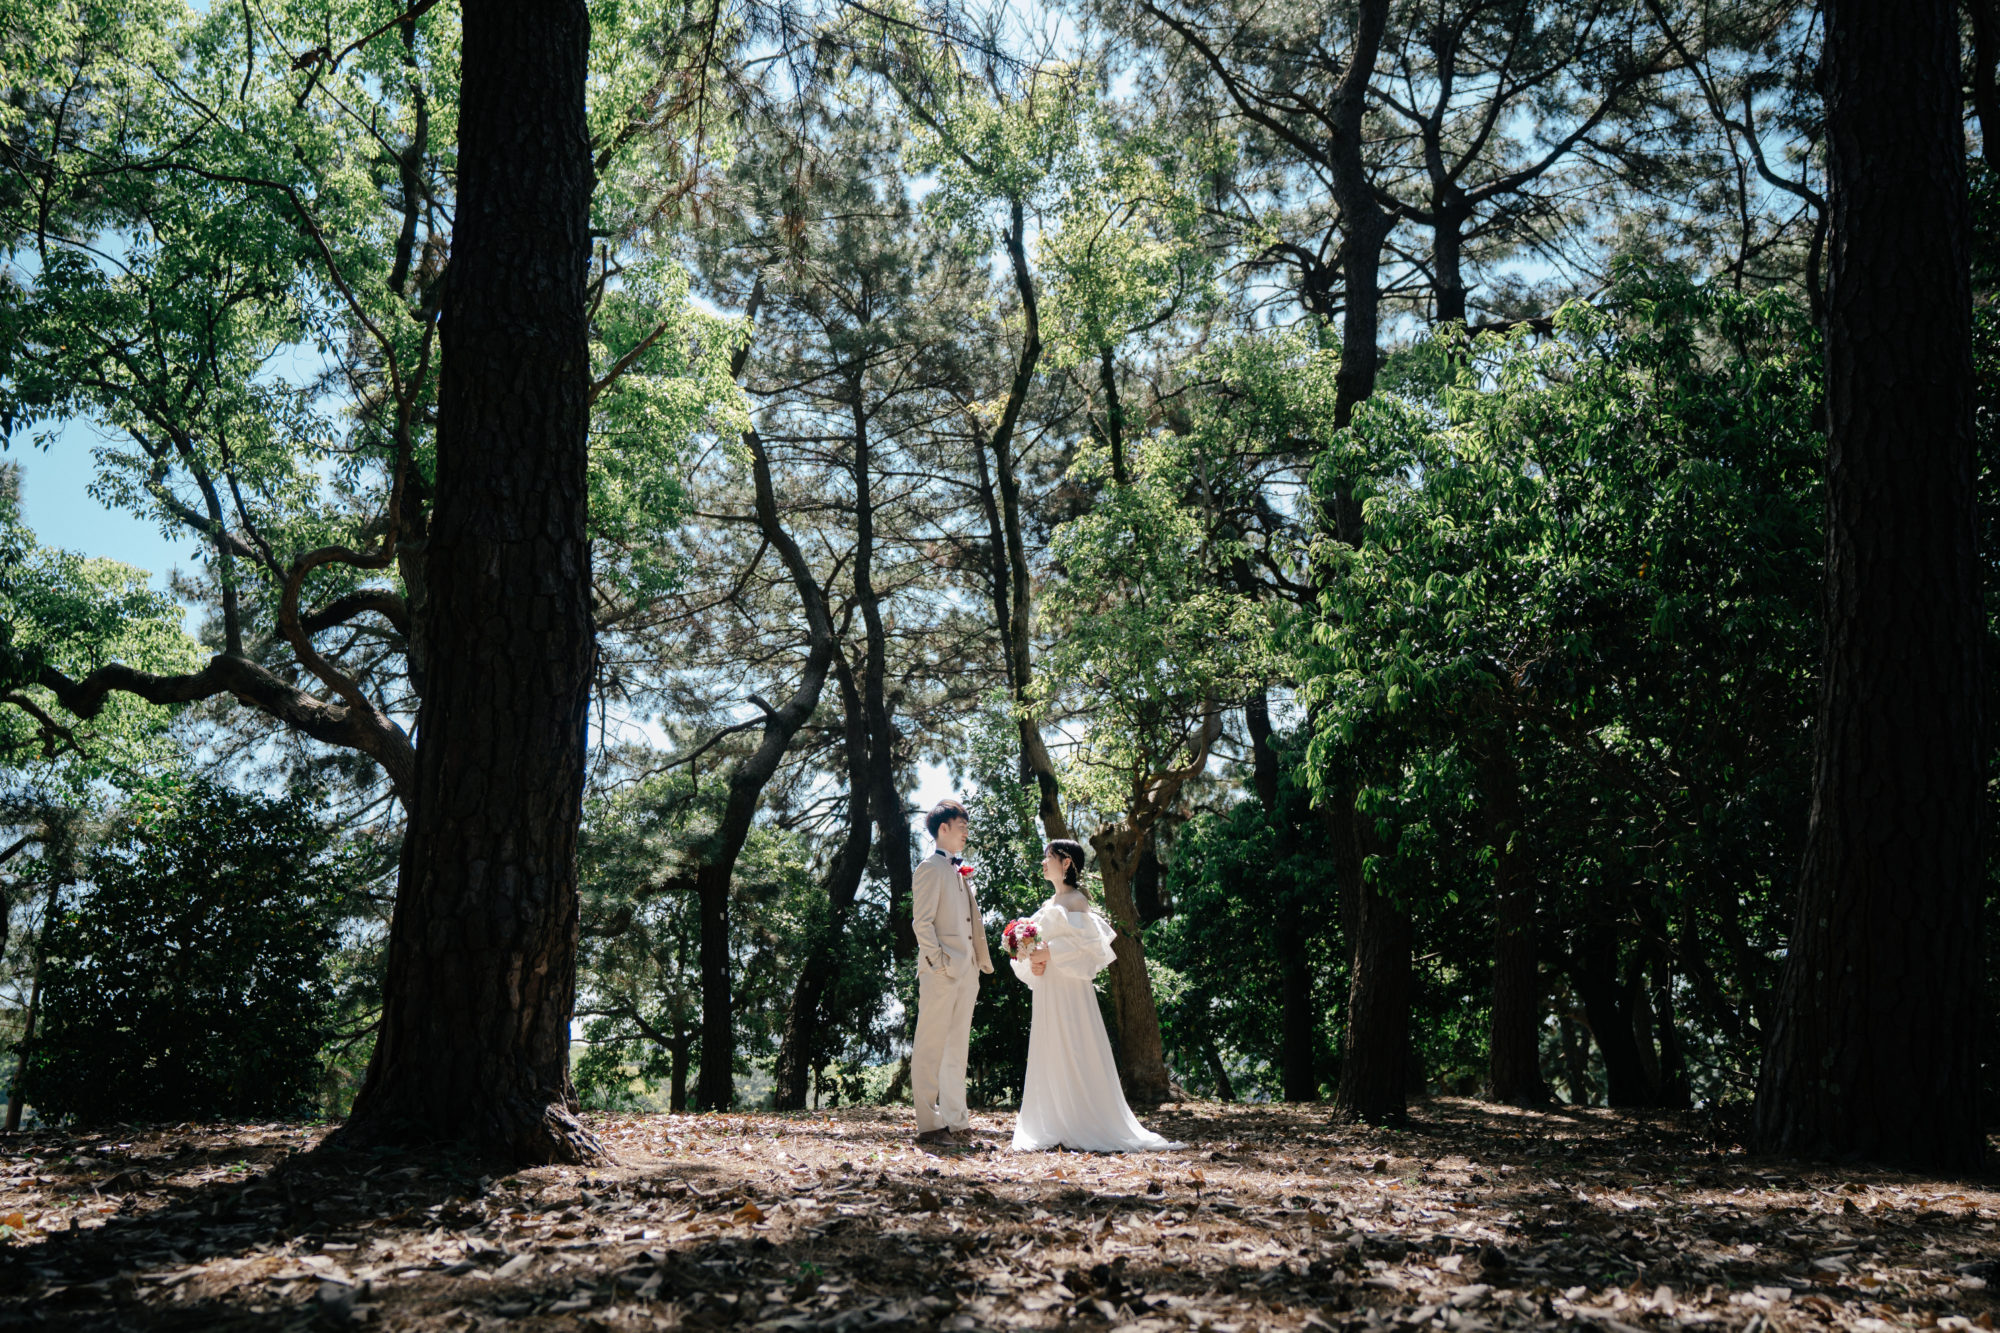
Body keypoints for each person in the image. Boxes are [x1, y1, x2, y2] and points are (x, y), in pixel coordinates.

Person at [1010, 839, 1183, 1153]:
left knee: (1075, 1045)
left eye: (1049, 857)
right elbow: (1038, 946)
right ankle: (1054, 1121)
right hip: (1049, 987)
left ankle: (1083, 1119)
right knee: (1050, 1046)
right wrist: (1032, 959)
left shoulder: (1077, 901)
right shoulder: (1049, 904)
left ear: (1067, 863)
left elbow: (1088, 948)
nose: (1044, 863)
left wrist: (1051, 952)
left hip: (1071, 987)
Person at [909, 798, 992, 1144]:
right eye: (962, 827)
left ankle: (957, 1121)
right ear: (943, 828)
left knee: (957, 1049)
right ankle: (928, 1125)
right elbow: (922, 923)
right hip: (941, 973)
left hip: (967, 973)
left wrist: (973, 965)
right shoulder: (930, 868)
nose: (966, 834)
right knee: (930, 1047)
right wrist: (939, 963)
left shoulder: (958, 871)